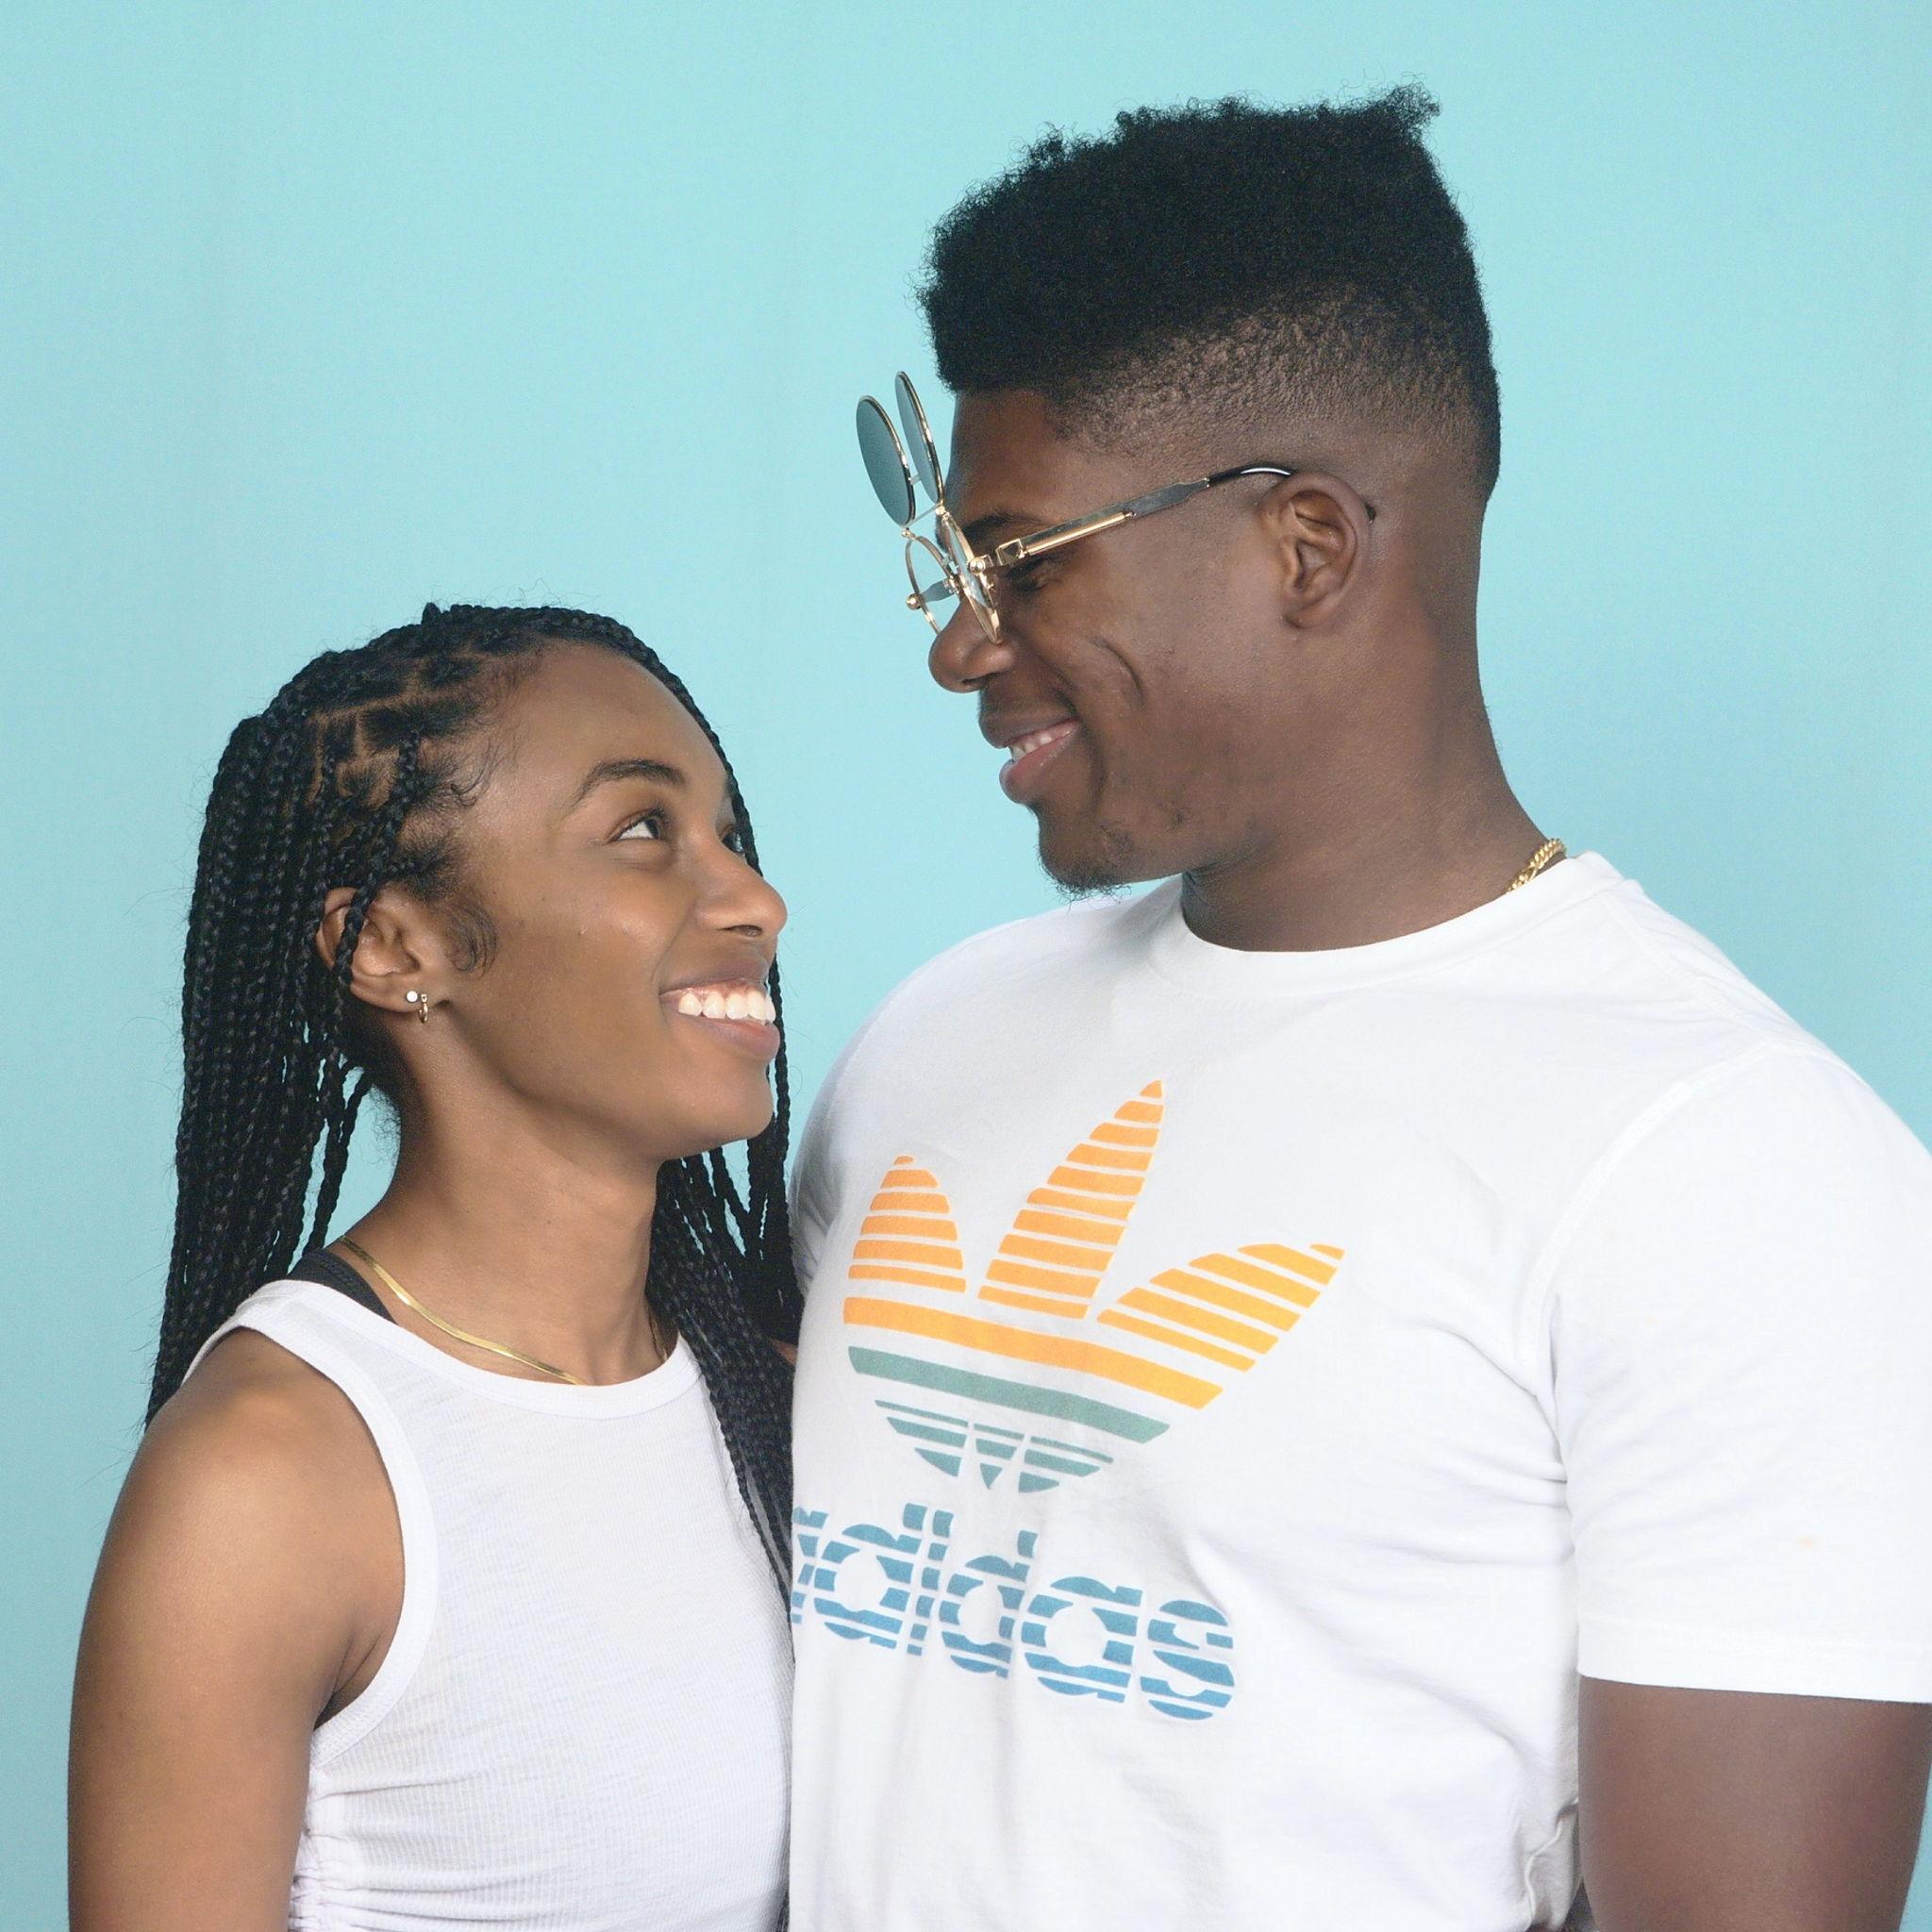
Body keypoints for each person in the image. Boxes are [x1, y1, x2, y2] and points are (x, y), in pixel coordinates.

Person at [791, 90, 1932, 1931]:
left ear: (1307, 547)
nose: (961, 644)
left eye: (1024, 563)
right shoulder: (931, 1045)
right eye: (958, 567)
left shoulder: (1731, 1168)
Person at [71, 605, 796, 1930]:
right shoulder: (273, 1475)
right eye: (644, 829)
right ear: (396, 949)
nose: (756, 900)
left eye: (729, 835)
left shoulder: (778, 1387)